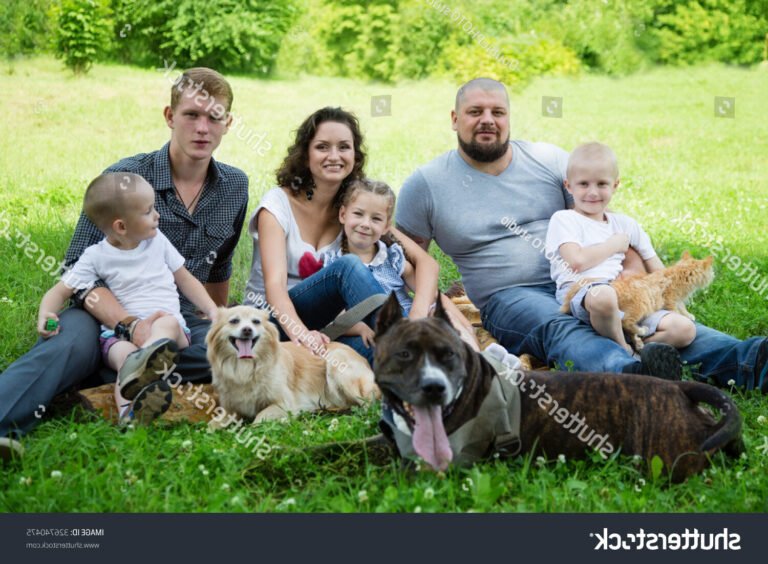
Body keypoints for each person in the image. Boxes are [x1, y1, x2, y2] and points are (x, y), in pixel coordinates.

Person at [395, 77, 767, 390]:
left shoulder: (548, 161)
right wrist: (431, 307)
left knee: (664, 322)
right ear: (454, 118)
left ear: (509, 118)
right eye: (476, 112)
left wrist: (633, 275)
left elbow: (610, 221)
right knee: (557, 326)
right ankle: (632, 375)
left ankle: (751, 361)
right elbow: (406, 259)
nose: (487, 120)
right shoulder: (427, 184)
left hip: (591, 279)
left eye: (498, 112)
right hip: (511, 297)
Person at [0, 67, 248, 458]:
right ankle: (7, 420)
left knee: (236, 350)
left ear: (228, 123)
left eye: (214, 117)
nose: (203, 127)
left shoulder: (235, 185)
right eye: (192, 115)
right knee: (68, 345)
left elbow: (218, 268)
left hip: (175, 319)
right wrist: (128, 325)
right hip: (105, 315)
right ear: (169, 116)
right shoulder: (123, 179)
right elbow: (78, 279)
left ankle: (118, 370)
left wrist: (216, 317)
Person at [244, 107, 439, 365]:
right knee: (346, 267)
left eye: (344, 147)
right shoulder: (277, 206)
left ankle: (418, 351)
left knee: (373, 352)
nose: (334, 156)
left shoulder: (355, 213)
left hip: (331, 326)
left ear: (355, 155)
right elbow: (274, 287)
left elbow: (426, 263)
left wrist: (418, 313)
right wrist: (303, 336)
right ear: (305, 155)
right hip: (272, 322)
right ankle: (411, 341)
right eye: (322, 147)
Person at [38, 173, 219, 424]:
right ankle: (129, 415)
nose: (157, 215)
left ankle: (146, 362)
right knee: (123, 356)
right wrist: (46, 312)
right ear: (121, 227)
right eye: (148, 211)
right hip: (121, 334)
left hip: (168, 328)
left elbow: (185, 279)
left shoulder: (158, 242)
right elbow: (60, 291)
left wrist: (212, 310)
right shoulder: (95, 256)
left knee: (166, 323)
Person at [545, 142, 696, 355]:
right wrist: (614, 245)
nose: (593, 192)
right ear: (568, 186)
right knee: (604, 295)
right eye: (583, 184)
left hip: (625, 296)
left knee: (684, 330)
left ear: (615, 185)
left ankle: (642, 350)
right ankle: (623, 349)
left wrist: (675, 302)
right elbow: (576, 262)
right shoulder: (564, 219)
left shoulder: (626, 224)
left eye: (602, 184)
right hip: (582, 291)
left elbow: (657, 269)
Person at [319, 178, 479, 349]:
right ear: (343, 215)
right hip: (382, 331)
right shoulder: (334, 265)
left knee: (444, 320)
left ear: (387, 226)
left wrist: (465, 325)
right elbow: (334, 315)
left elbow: (432, 295)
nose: (365, 224)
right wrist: (360, 328)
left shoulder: (392, 258)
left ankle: (481, 359)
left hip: (413, 322)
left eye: (376, 219)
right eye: (358, 214)